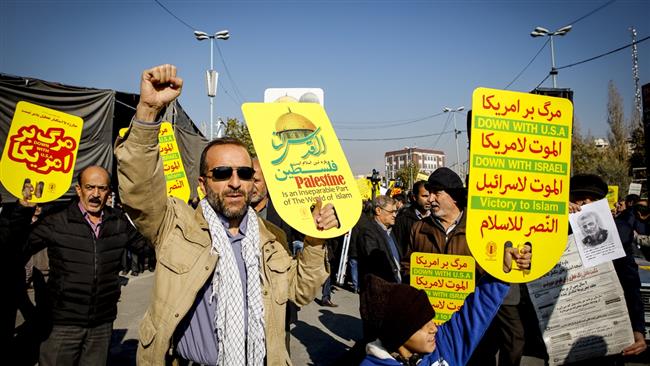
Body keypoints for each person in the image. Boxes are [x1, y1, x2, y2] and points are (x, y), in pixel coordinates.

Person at [114, 64, 338, 366]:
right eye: (222, 173)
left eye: (243, 173)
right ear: (203, 184)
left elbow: (298, 292)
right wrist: (148, 112)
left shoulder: (271, 238)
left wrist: (315, 240)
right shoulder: (175, 226)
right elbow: (139, 187)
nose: (235, 182)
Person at [402, 167, 531, 366]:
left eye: (437, 193)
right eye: (429, 194)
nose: (430, 199)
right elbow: (407, 266)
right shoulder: (419, 228)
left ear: (454, 196)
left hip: (472, 317)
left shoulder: (480, 227)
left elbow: (496, 268)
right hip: (434, 320)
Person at [23, 166, 147, 366]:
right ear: (78, 189)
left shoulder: (118, 222)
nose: (96, 194)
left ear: (109, 192)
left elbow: (150, 248)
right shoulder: (57, 219)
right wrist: (21, 211)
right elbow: (15, 246)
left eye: (102, 188)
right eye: (90, 187)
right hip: (62, 324)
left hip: (101, 324)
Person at [359, 242, 528, 366]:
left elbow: (477, 308)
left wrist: (504, 270)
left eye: (431, 320)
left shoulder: (444, 344)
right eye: (422, 326)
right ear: (398, 333)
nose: (434, 328)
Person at [568, 174, 647, 361]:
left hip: (608, 333)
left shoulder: (617, 234)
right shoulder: (550, 228)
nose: (586, 203)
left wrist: (638, 329)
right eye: (579, 198)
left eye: (593, 200)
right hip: (566, 333)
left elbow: (630, 282)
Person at [358, 195, 402, 286]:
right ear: (378, 210)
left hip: (394, 286)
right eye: (391, 212)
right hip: (380, 288)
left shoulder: (390, 230)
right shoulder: (368, 232)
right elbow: (375, 264)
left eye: (396, 211)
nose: (394, 215)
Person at [392, 180, 429, 259]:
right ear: (414, 197)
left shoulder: (437, 217)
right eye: (424, 196)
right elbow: (399, 247)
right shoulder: (403, 219)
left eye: (430, 196)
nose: (429, 200)